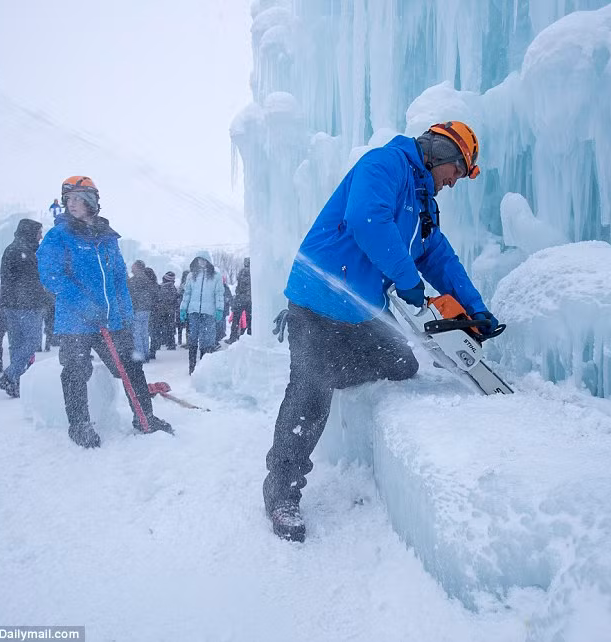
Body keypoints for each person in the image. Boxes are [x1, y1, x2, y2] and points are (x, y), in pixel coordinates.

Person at [263, 121, 501, 542]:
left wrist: (476, 310)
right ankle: (281, 492)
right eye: (457, 172)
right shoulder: (385, 164)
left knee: (401, 362)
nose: (454, 182)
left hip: (360, 312)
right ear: (442, 154)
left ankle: (327, 368)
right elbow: (366, 219)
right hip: (317, 300)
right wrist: (408, 281)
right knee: (309, 393)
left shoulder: (423, 203)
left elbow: (440, 259)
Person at [38, 176, 172, 448]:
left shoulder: (107, 238)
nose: (72, 204)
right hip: (75, 322)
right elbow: (52, 276)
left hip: (111, 321)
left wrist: (125, 314)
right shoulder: (58, 236)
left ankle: (144, 418)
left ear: (91, 202)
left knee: (131, 366)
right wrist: (86, 307)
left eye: (78, 199)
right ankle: (79, 425)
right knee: (76, 370)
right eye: (68, 199)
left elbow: (119, 279)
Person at [0, 219, 46, 398]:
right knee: (32, 341)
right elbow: (34, 279)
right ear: (30, 232)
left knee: (17, 344)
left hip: (11, 304)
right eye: (39, 232)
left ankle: (16, 381)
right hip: (27, 304)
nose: (41, 236)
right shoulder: (25, 251)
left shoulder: (12, 248)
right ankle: (10, 375)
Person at [179, 251, 223, 375]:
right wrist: (183, 308)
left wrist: (219, 309)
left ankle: (203, 368)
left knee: (207, 340)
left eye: (204, 260)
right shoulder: (191, 276)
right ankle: (192, 367)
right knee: (193, 339)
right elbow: (187, 294)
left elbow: (219, 294)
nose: (201, 262)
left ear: (208, 261)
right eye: (199, 260)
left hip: (209, 313)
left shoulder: (216, 276)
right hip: (194, 312)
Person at [126, 260, 155, 361]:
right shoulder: (147, 279)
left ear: (137, 267)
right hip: (146, 309)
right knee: (144, 333)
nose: (131, 268)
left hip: (137, 309)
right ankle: (146, 353)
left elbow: (131, 294)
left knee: (137, 334)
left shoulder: (133, 281)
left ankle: (140, 355)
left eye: (133, 266)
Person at [228, 257, 251, 343]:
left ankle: (233, 337)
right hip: (249, 299)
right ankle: (250, 336)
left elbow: (238, 286)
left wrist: (238, 295)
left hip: (240, 299)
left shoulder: (242, 272)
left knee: (236, 319)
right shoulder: (253, 272)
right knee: (250, 319)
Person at [156, 271, 180, 350]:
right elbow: (176, 298)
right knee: (170, 327)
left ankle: (160, 342)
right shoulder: (173, 288)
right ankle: (171, 343)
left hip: (161, 310)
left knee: (160, 326)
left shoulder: (160, 287)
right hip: (170, 310)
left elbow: (158, 298)